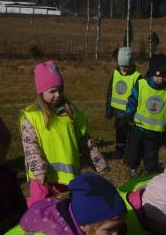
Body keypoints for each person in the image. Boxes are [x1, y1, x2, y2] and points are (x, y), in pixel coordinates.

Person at [20, 60, 107, 205]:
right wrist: (39, 170)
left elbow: (85, 141)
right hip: (42, 177)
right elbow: (30, 146)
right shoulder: (32, 116)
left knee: (66, 205)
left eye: (60, 89)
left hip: (67, 177)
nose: (57, 95)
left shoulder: (72, 113)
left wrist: (98, 163)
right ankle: (34, 227)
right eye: (52, 91)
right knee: (39, 204)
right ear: (41, 92)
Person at [125, 53, 166, 176]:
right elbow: (132, 100)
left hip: (155, 131)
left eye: (164, 76)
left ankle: (150, 171)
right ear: (151, 73)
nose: (161, 79)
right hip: (138, 127)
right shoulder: (141, 84)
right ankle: (133, 168)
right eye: (157, 76)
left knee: (151, 154)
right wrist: (129, 114)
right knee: (134, 150)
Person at [104, 46, 141, 161]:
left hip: (130, 113)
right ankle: (119, 150)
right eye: (121, 66)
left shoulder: (137, 77)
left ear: (131, 64)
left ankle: (130, 152)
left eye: (126, 66)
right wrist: (108, 110)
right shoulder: (115, 74)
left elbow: (140, 96)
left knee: (130, 133)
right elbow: (110, 92)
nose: (124, 69)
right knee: (119, 132)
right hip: (117, 112)